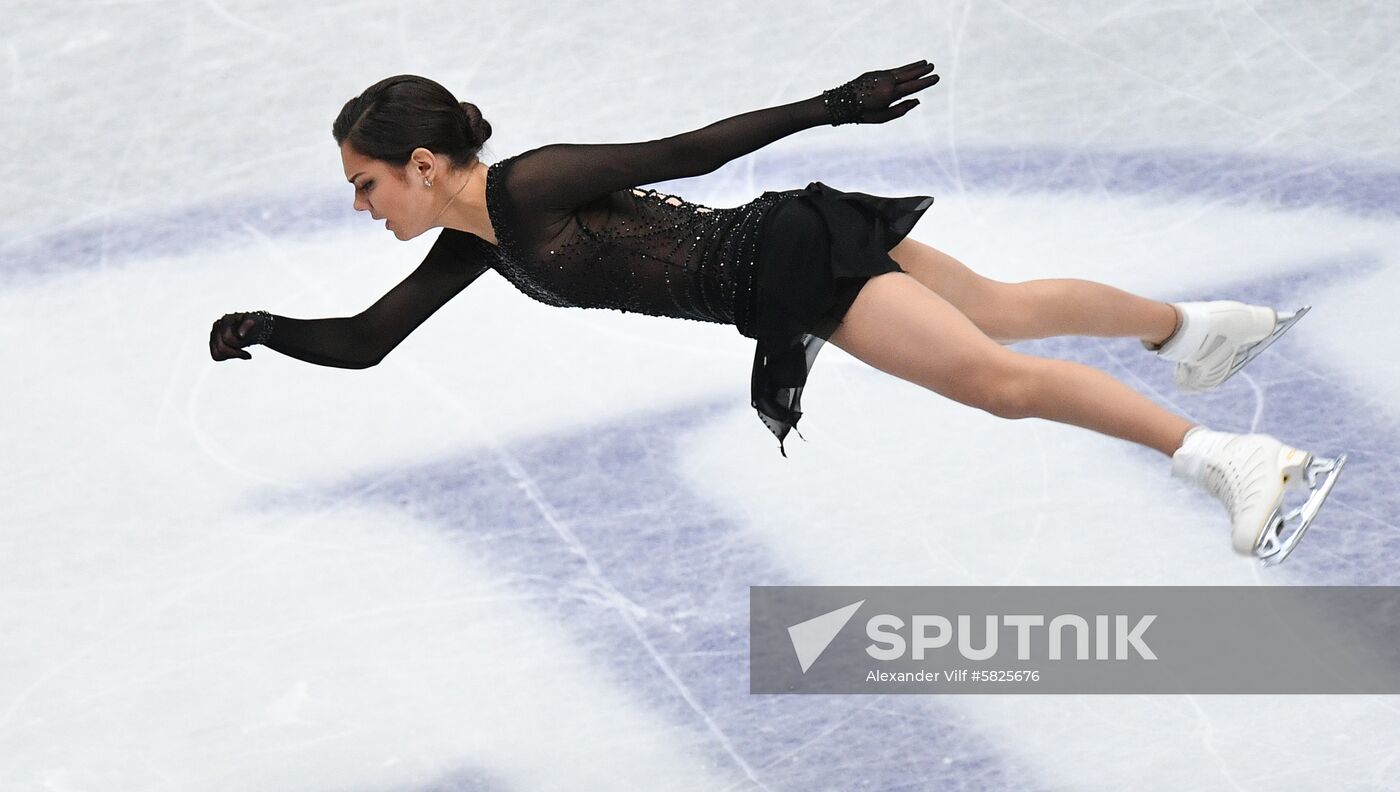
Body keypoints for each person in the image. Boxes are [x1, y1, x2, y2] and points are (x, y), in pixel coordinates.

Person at [209, 63, 1346, 566]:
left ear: (420, 163)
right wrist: (266, 328)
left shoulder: (531, 185)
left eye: (366, 184)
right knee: (999, 313)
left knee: (999, 384)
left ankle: (1233, 459)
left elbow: (687, 152)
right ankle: (1195, 329)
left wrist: (833, 106)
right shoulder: (474, 243)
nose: (361, 206)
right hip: (789, 248)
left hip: (789, 261)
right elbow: (367, 343)